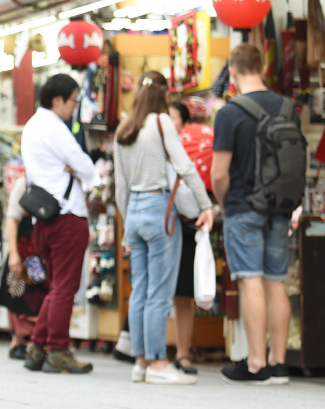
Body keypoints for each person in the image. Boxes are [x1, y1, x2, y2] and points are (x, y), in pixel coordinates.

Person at [114, 72, 213, 386]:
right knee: (160, 291)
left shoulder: (124, 129)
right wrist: (206, 205)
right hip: (159, 209)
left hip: (133, 213)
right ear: (163, 96)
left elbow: (119, 187)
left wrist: (127, 225)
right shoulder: (161, 123)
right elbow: (184, 166)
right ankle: (157, 362)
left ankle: (140, 362)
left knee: (140, 290)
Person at [212, 44, 298, 386]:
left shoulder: (229, 113)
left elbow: (219, 173)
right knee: (276, 281)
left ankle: (255, 363)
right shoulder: (287, 107)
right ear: (263, 68)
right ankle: (279, 363)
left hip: (243, 206)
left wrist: (223, 202)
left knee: (250, 280)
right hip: (280, 206)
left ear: (232, 72)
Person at [19, 74, 99, 374]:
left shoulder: (31, 126)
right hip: (67, 215)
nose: (74, 107)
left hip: (45, 216)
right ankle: (59, 349)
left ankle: (38, 347)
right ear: (58, 100)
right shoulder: (54, 127)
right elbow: (86, 166)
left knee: (56, 287)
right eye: (74, 101)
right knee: (65, 287)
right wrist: (80, 171)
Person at [167, 101, 216, 375]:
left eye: (172, 117)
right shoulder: (156, 145)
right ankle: (148, 354)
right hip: (161, 224)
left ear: (185, 122)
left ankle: (183, 354)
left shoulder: (200, 149)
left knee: (184, 293)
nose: (167, 121)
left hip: (188, 226)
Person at [0, 173, 43, 359]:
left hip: (40, 248)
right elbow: (12, 219)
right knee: (19, 292)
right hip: (24, 246)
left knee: (39, 292)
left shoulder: (51, 178)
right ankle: (18, 339)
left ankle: (36, 340)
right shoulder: (23, 182)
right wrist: (14, 253)